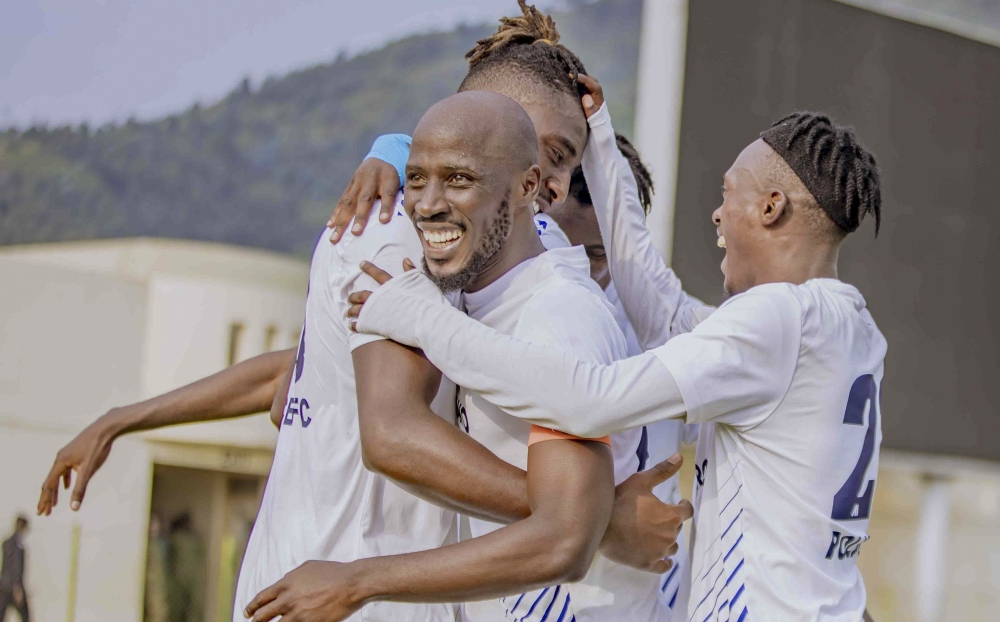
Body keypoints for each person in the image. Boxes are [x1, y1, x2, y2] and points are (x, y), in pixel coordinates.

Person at [38, 4, 691, 621]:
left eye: (566, 161)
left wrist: (125, 418)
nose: (548, 181)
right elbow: (393, 432)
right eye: (543, 151)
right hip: (338, 591)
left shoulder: (502, 252)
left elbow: (297, 376)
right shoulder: (397, 229)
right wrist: (591, 518)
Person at [347, 78, 885, 621]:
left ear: (770, 207)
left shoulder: (775, 320)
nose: (718, 215)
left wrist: (418, 316)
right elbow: (663, 308)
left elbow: (588, 399)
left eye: (728, 193)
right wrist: (599, 136)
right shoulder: (853, 329)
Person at [245, 89, 671, 622]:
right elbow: (334, 403)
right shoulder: (414, 253)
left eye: (459, 178)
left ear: (527, 184)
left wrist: (586, 516)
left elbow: (564, 536)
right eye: (416, 177)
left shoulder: (557, 308)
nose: (424, 203)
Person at [0, 516, 30, 622]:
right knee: (25, 616)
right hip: (13, 587)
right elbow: (16, 566)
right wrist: (17, 587)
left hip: (3, 585)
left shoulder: (6, 543)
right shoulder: (18, 545)